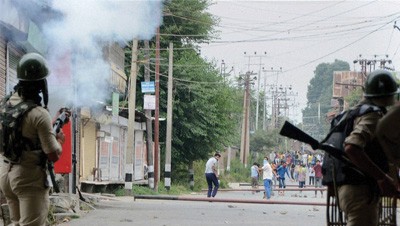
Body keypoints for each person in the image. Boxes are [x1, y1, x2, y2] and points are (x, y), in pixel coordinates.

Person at [0, 52, 66, 225]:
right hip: (27, 177)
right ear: (41, 83)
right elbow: (52, 154)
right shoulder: (39, 113)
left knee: (15, 223)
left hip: (5, 174)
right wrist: (59, 141)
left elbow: (25, 132)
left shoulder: (6, 103)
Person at [337, 70, 399, 226]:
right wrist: (382, 178)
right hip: (360, 192)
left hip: (353, 189)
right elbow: (351, 147)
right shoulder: (373, 116)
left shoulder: (353, 113)